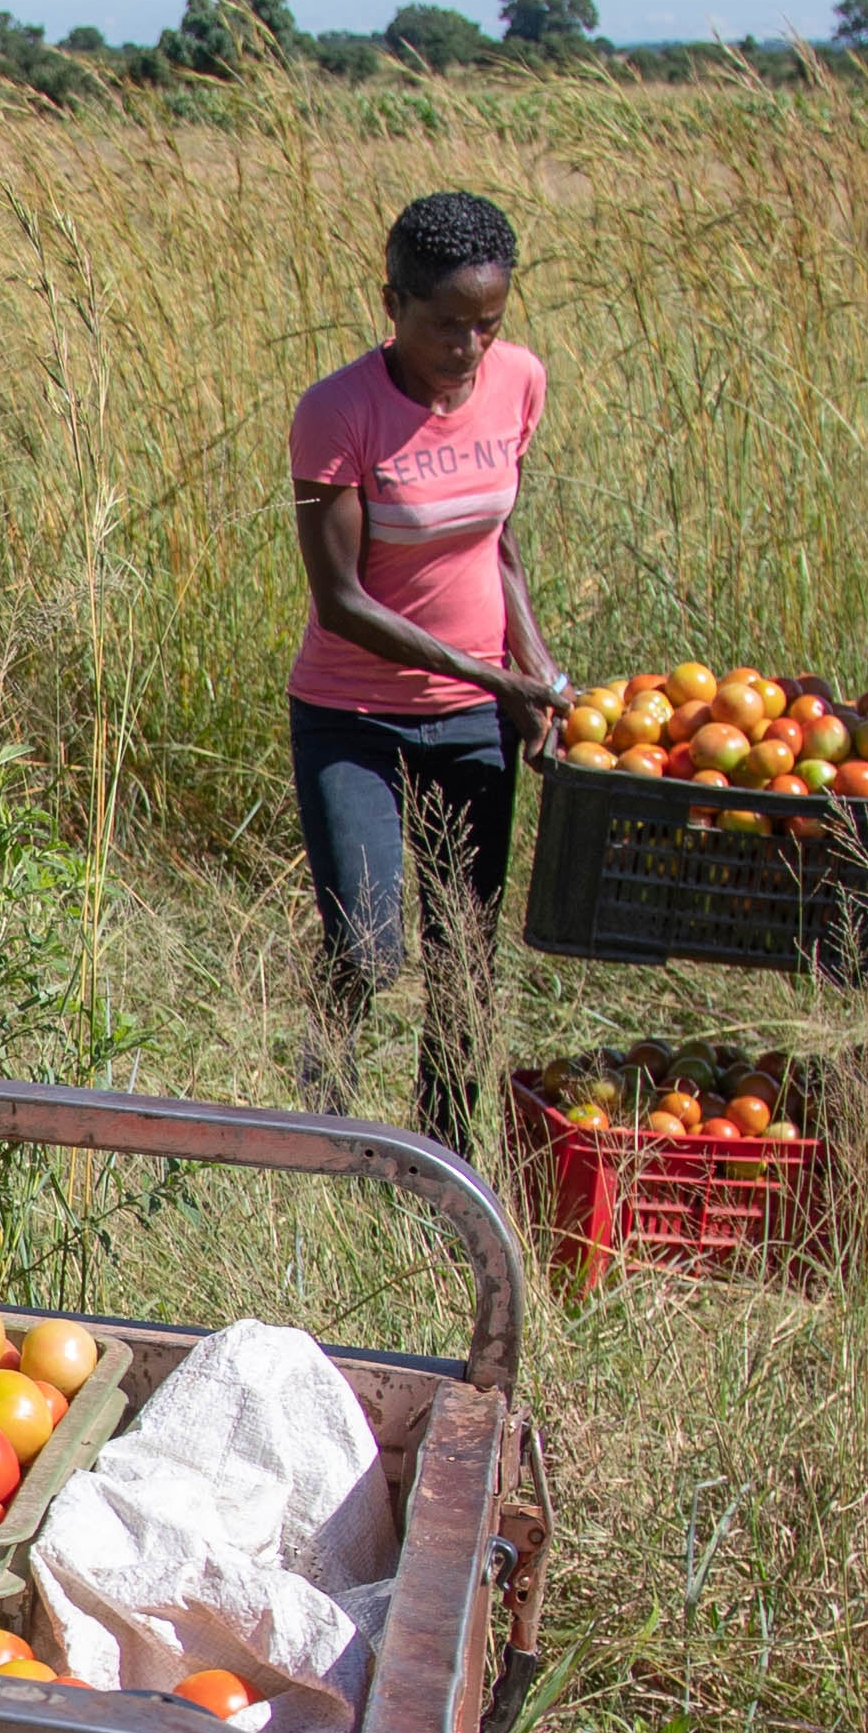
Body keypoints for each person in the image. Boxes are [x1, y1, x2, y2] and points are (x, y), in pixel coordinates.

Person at [285, 190, 566, 1154]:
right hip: (351, 716)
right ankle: (318, 1119)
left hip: (475, 720)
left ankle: (440, 1158)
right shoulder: (339, 409)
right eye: (446, 324)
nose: (469, 348)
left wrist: (533, 674)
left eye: (488, 324)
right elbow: (343, 602)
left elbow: (499, 543)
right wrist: (497, 676)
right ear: (392, 303)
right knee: (367, 949)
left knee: (467, 958)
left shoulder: (519, 381)